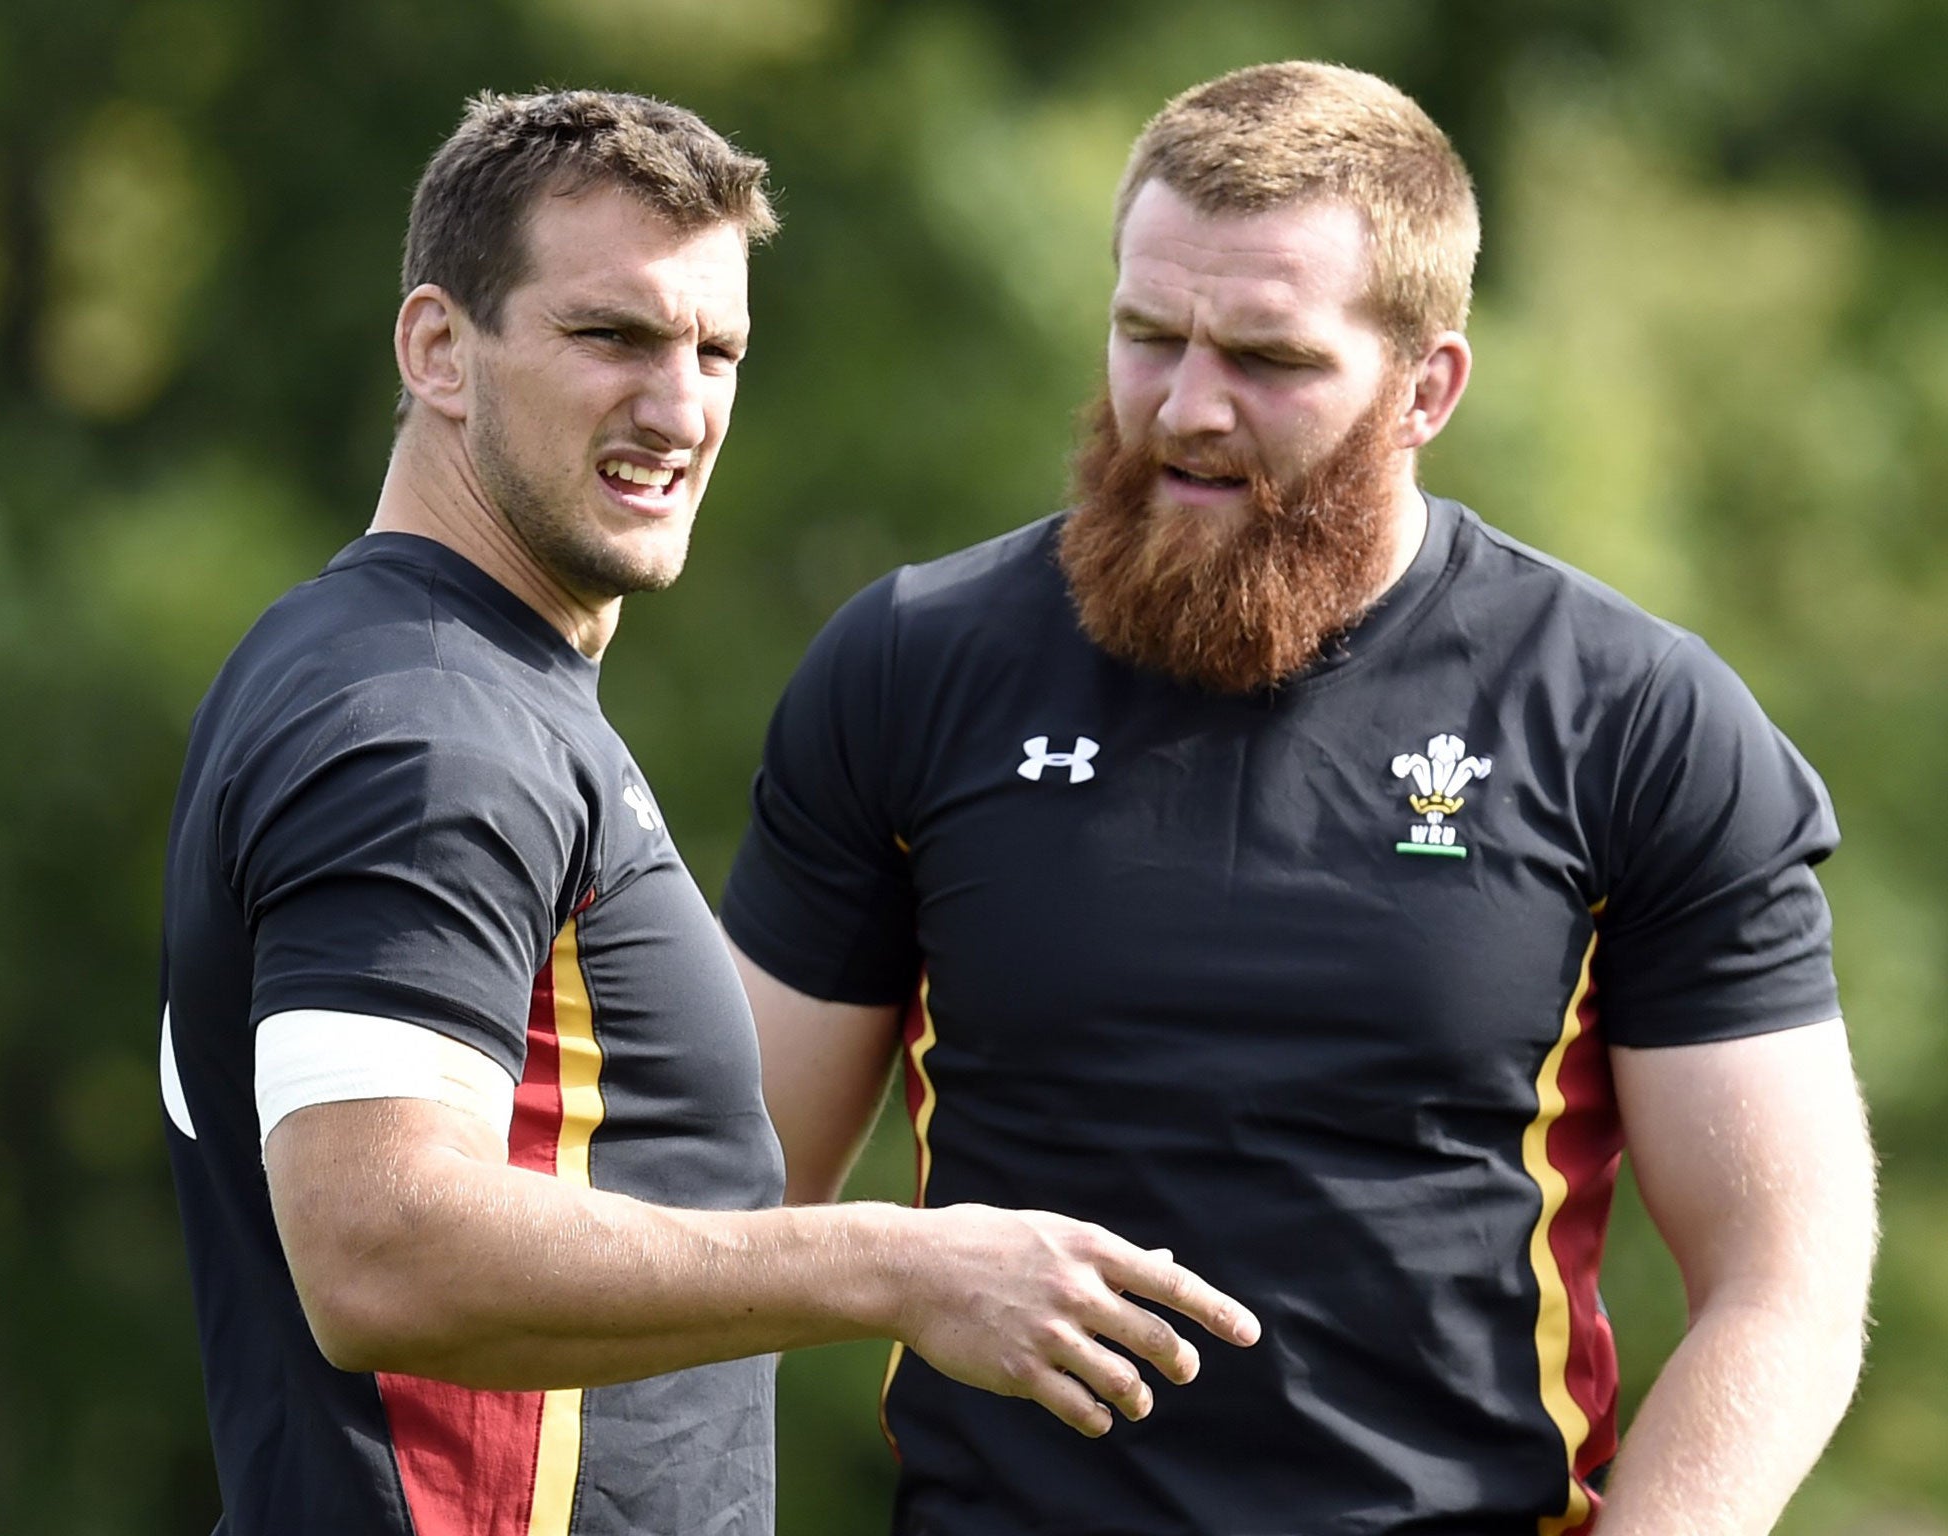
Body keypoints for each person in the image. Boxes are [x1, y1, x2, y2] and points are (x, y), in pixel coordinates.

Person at [721, 61, 1877, 1536]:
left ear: (1427, 388)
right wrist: (892, 1269)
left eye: (1267, 361)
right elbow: (718, 1199)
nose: (1185, 411)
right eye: (1148, 337)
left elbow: (1787, 1278)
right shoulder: (912, 664)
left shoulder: (1634, 717)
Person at [157, 88, 1259, 1536]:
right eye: (610, 335)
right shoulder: (431, 727)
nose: (678, 409)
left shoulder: (409, 671)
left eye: (716, 348)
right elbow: (378, 1249)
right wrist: (897, 1268)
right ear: (437, 349)